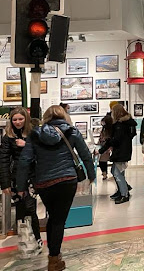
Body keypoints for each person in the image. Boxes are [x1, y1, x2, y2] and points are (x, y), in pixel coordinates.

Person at [17, 105, 95, 271]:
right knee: (59, 220)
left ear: (46, 118)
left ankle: (54, 255)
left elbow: (24, 161)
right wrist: (91, 175)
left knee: (53, 217)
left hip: (44, 183)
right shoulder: (72, 132)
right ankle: (54, 259)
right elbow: (85, 155)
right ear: (64, 116)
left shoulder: (35, 134)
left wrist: (21, 186)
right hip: (67, 180)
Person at [0, 107, 42, 256]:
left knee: (30, 208)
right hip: (16, 179)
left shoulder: (34, 134)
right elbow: (3, 161)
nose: (17, 122)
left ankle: (36, 239)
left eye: (20, 119)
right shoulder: (8, 137)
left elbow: (42, 153)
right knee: (20, 209)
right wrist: (5, 183)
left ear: (26, 119)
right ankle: (24, 241)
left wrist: (27, 146)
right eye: (15, 119)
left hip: (31, 177)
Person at [98, 104, 137, 204]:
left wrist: (102, 149)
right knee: (119, 172)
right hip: (124, 151)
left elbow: (115, 140)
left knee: (116, 172)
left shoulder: (120, 125)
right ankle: (122, 190)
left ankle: (124, 194)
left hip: (120, 152)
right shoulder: (127, 123)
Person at [97, 114, 113, 180]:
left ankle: (106, 173)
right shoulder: (104, 129)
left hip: (108, 147)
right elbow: (101, 138)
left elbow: (110, 139)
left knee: (103, 160)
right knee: (102, 161)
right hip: (104, 146)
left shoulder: (111, 130)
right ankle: (104, 173)